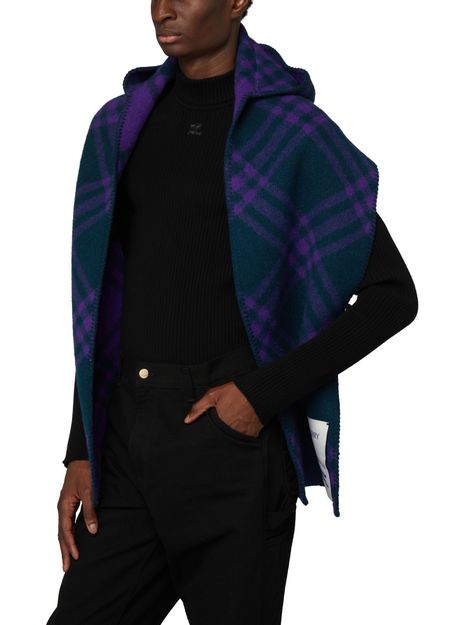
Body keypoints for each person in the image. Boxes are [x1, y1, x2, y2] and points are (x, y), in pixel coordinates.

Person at [46, 1, 418, 624]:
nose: (164, 9)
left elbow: (392, 296)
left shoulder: (291, 133)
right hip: (127, 438)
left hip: (232, 447)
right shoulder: (119, 125)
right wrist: (80, 448)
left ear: (239, 0)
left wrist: (258, 396)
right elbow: (105, 308)